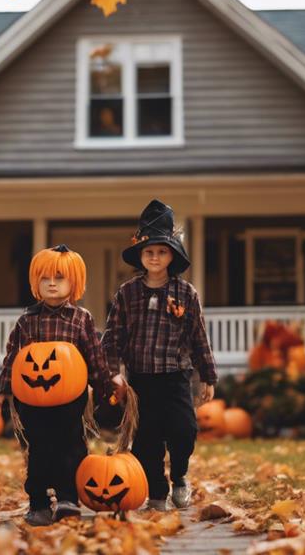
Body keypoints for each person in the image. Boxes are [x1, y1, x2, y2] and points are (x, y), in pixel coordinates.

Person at [0, 244, 127, 526]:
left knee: (71, 446)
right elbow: (13, 356)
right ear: (36, 283)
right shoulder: (27, 321)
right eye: (45, 278)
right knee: (40, 448)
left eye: (59, 278)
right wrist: (4, 389)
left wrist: (106, 386)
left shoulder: (82, 319)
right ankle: (39, 502)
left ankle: (68, 497)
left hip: (71, 398)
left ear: (74, 282)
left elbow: (94, 356)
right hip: (32, 399)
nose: (52, 284)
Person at [102, 199, 217, 511]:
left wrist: (208, 375)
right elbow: (112, 338)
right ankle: (156, 492)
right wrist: (113, 374)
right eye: (149, 251)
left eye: (161, 251)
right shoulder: (127, 294)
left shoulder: (186, 294)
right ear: (141, 255)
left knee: (184, 430)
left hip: (176, 377)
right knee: (146, 441)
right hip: (141, 380)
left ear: (172, 256)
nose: (155, 257)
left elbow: (198, 338)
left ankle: (179, 475)